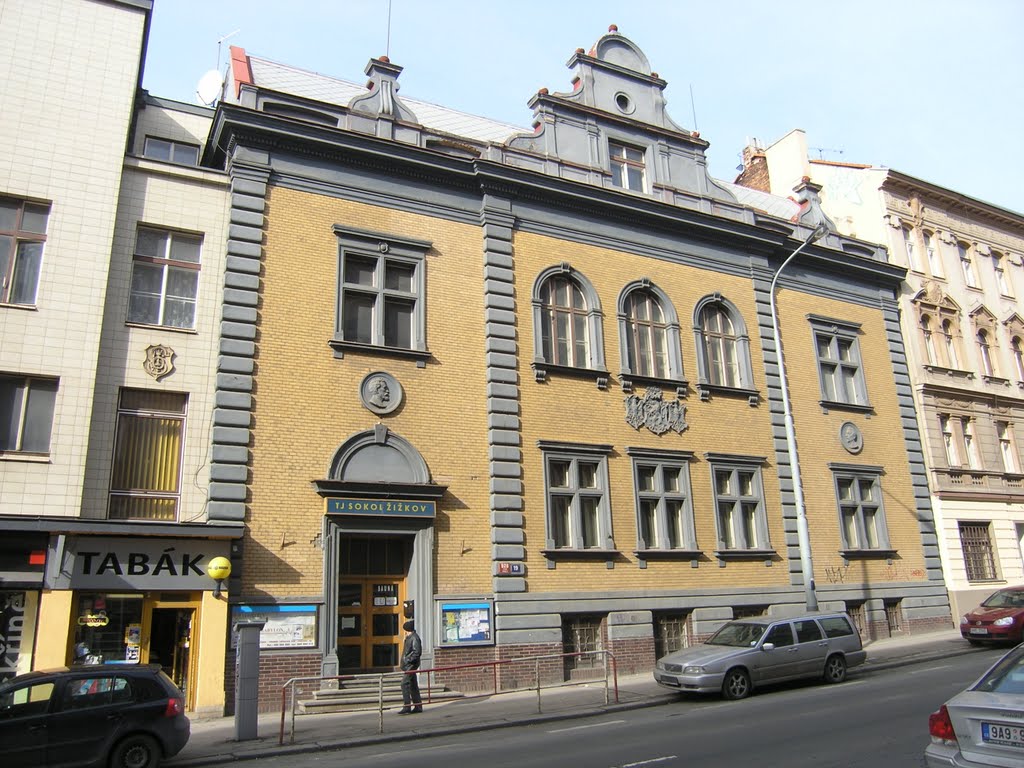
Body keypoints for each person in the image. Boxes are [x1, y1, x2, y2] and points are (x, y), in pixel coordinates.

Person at [398, 619, 422, 714]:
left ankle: (407, 706)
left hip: (411, 665)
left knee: (404, 684)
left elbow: (417, 652)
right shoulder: (409, 638)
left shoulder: (414, 638)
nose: (405, 632)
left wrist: (408, 660)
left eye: (406, 630)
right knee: (413, 685)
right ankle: (418, 706)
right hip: (408, 665)